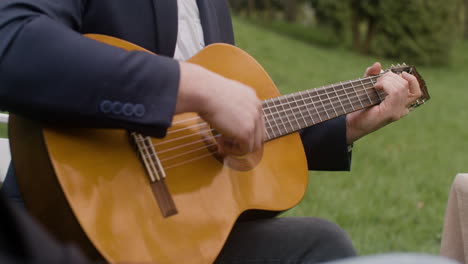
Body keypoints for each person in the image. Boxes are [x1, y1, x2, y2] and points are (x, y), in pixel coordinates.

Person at [0, 0, 422, 263]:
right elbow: (11, 42)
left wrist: (346, 126)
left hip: (180, 235)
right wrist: (189, 86)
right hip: (66, 228)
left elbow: (213, 133)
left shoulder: (212, 6)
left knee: (318, 245)